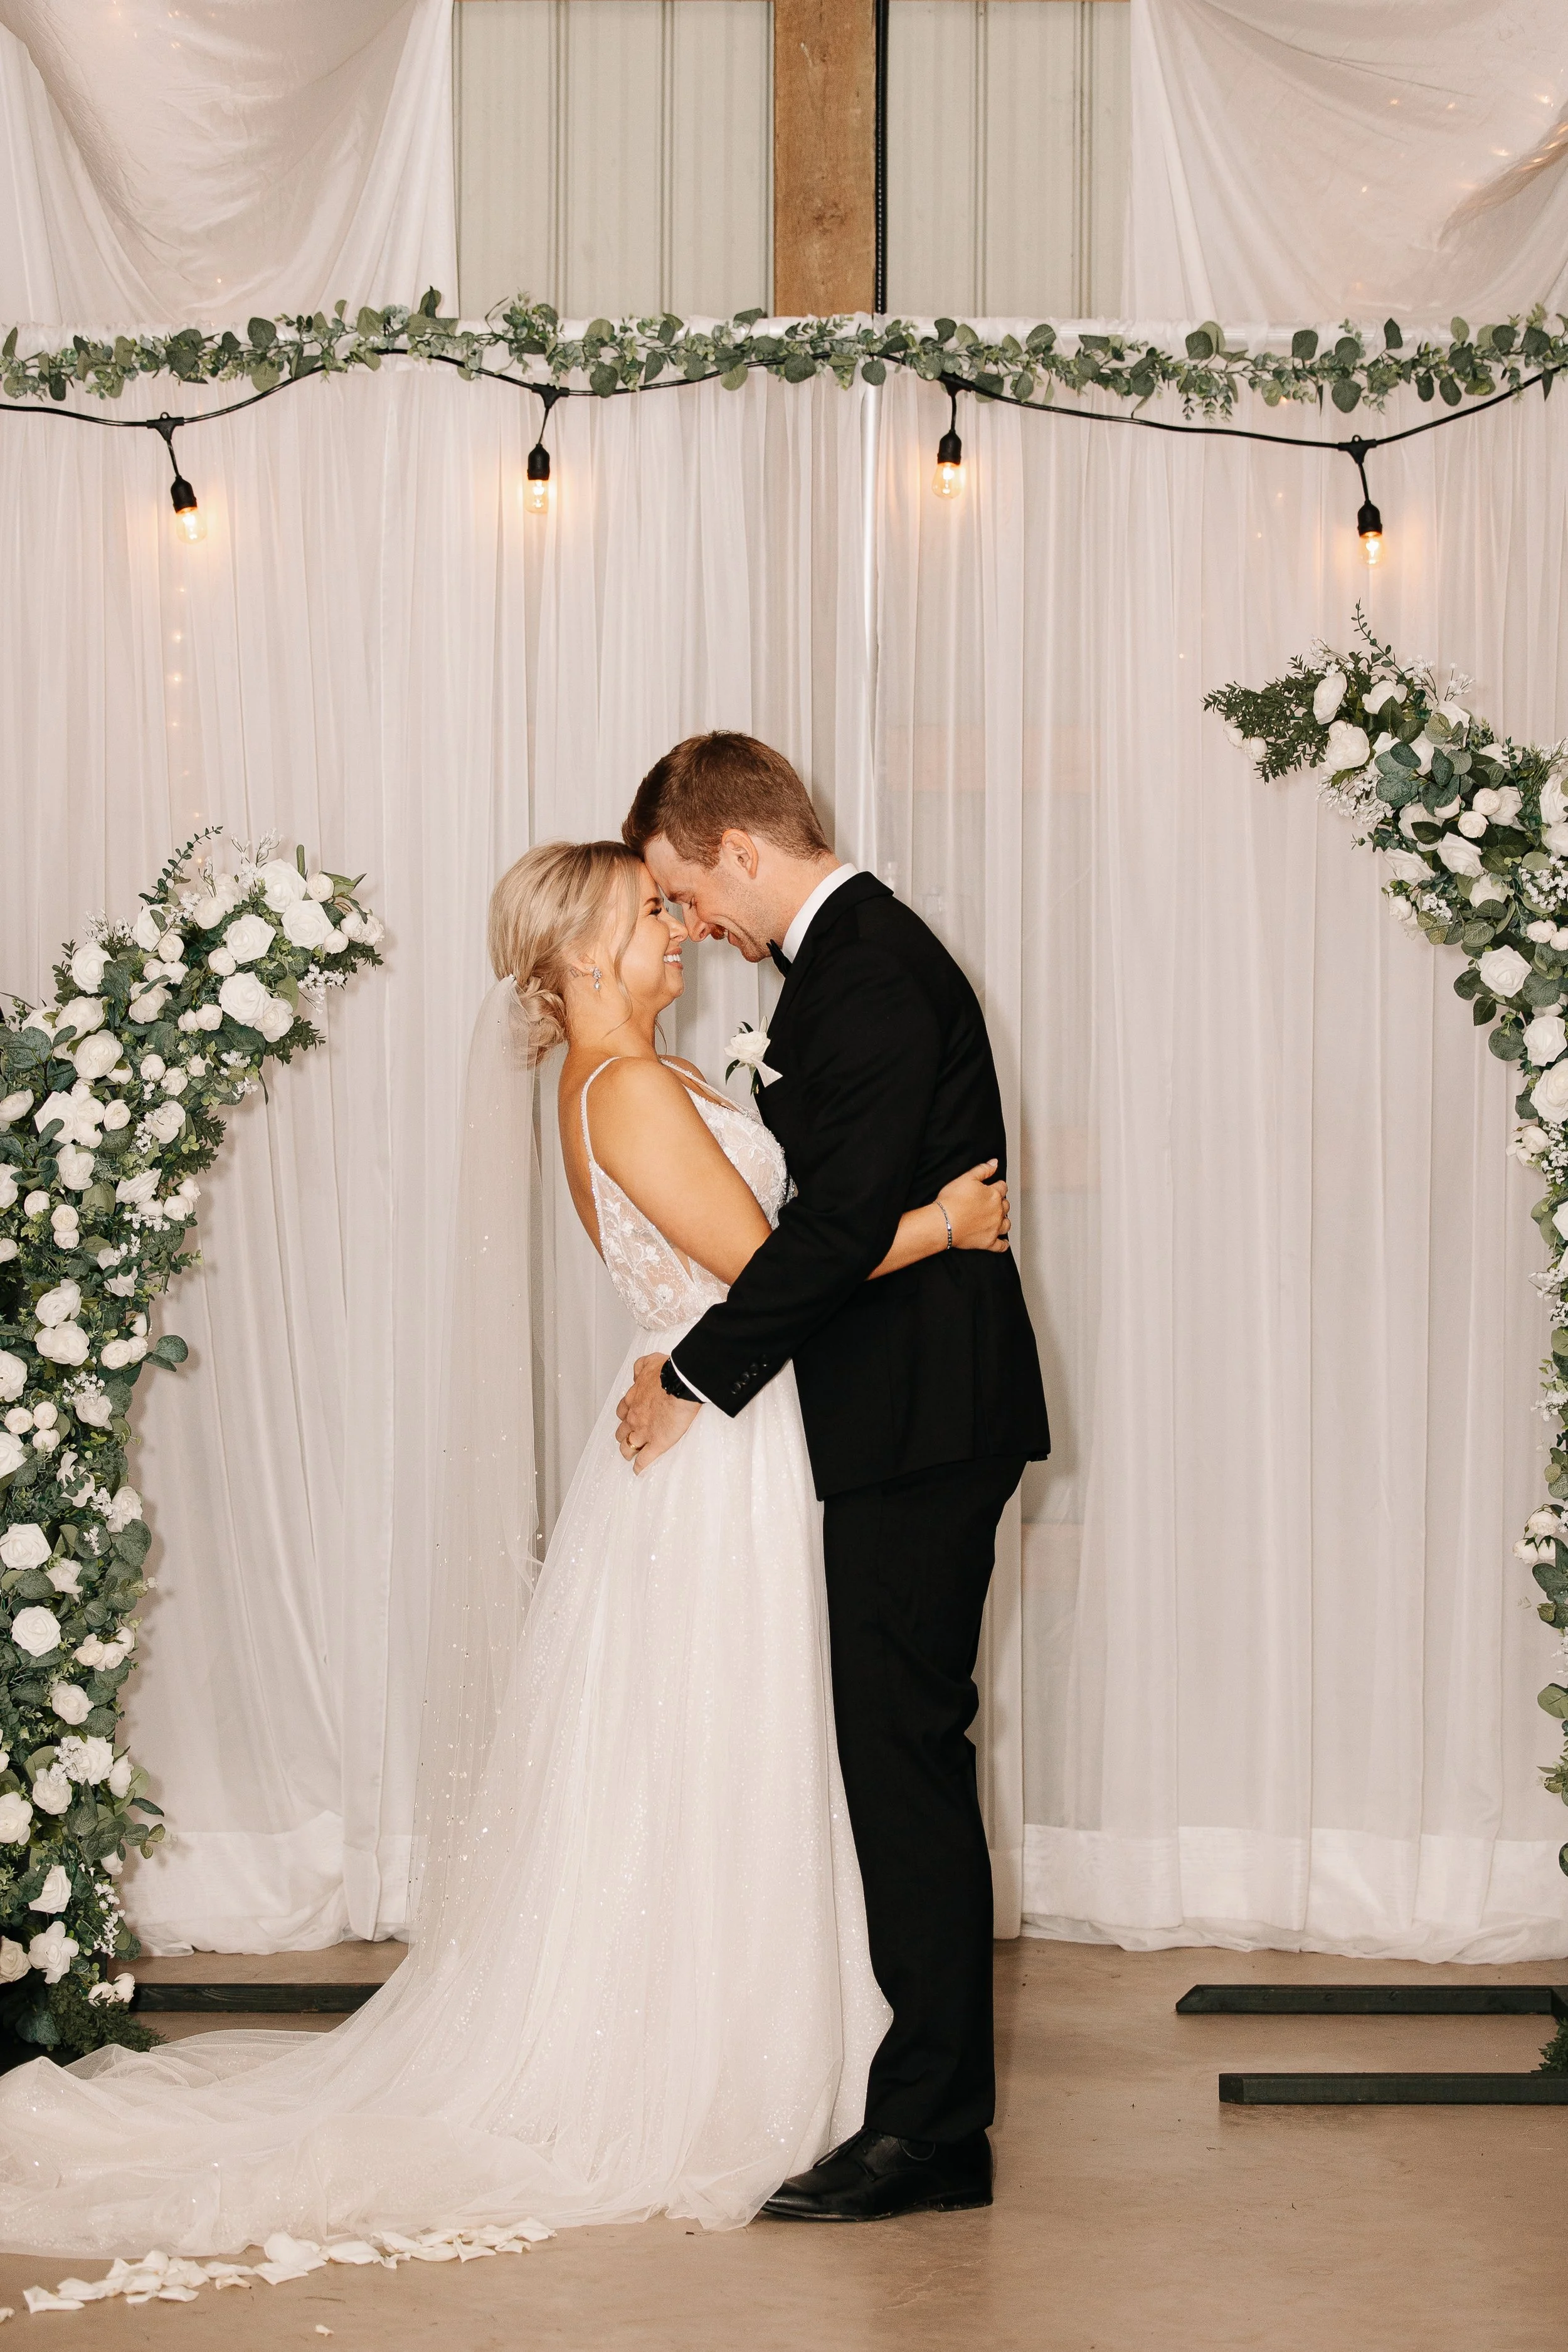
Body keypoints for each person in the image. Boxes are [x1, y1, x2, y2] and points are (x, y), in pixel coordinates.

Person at [0, 839, 1013, 2257]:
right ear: (583, 957)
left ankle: (799, 2052)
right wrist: (944, 1224)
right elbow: (762, 1267)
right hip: (716, 1455)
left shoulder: (619, 1081)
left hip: (723, 1430)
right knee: (725, 1753)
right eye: (644, 914)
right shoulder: (630, 1091)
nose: (673, 929)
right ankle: (714, 2066)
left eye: (670, 904)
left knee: (733, 1755)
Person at [617, 734, 1050, 2223]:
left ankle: (929, 2134)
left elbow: (828, 1228)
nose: (695, 929)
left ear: (736, 850)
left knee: (905, 1767)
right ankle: (926, 2109)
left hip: (921, 1421)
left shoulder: (858, 967)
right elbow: (857, 1210)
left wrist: (687, 1375)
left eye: (686, 892)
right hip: (907, 1413)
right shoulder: (852, 959)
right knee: (900, 1760)